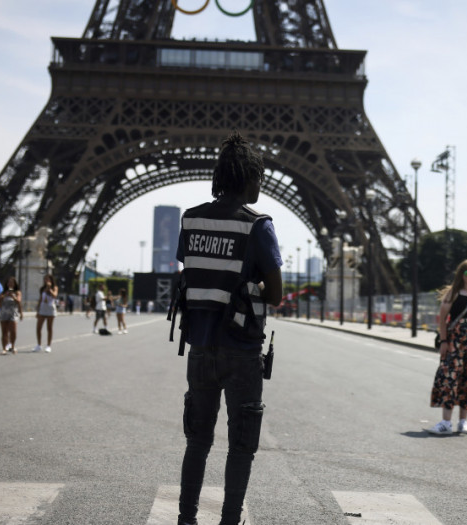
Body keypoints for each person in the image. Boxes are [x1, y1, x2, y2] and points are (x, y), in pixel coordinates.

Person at [174, 132, 283, 525]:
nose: (261, 184)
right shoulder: (259, 226)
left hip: (200, 346)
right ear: (246, 177)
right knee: (241, 445)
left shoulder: (192, 218)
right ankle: (229, 521)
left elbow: (193, 275)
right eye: (258, 177)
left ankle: (186, 519)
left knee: (197, 442)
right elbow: (276, 295)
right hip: (242, 349)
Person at [427, 259, 467, 435]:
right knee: (450, 379)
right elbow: (442, 319)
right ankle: (446, 422)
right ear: (461, 275)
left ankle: (463, 421)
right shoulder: (453, 293)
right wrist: (444, 341)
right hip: (455, 344)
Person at [0, 276, 23, 354]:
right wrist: (5, 295)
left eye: (12, 282)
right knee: (4, 332)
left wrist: (13, 296)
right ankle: (4, 348)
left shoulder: (17, 292)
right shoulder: (3, 292)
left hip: (13, 314)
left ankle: (12, 346)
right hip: (4, 313)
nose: (10, 284)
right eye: (9, 282)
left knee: (13, 331)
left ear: (15, 284)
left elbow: (19, 302)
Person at [34, 274, 58, 353]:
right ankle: (39, 345)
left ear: (51, 280)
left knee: (49, 328)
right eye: (45, 279)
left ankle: (48, 346)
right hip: (43, 309)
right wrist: (37, 310)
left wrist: (49, 289)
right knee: (38, 328)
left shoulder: (54, 287)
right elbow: (40, 299)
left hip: (50, 309)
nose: (46, 281)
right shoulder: (42, 289)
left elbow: (54, 296)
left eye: (48, 279)